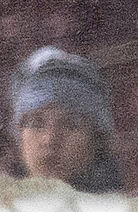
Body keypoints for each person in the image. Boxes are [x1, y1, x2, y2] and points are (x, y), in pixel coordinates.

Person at [10, 46, 124, 194]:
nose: (49, 139)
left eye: (70, 125)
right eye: (36, 123)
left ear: (96, 138)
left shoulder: (115, 210)